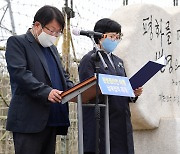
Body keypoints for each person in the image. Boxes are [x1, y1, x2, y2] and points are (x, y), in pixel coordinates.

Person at [5, 5, 74, 154]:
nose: (55, 35)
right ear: (37, 25)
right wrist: (46, 92)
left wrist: (76, 90)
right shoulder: (17, 43)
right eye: (51, 30)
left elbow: (62, 75)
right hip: (28, 121)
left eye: (58, 32)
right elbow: (20, 74)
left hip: (51, 120)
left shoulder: (52, 49)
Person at [78, 18, 143, 154]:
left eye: (118, 37)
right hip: (102, 120)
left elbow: (123, 89)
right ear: (99, 36)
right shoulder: (90, 60)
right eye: (112, 36)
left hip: (121, 119)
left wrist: (133, 94)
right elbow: (87, 92)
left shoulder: (118, 61)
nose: (115, 40)